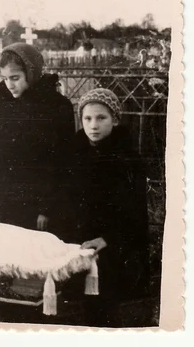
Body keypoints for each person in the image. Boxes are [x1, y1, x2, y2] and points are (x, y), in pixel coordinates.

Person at [70, 89, 150, 327]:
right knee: (80, 304)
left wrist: (108, 238)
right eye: (87, 119)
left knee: (105, 305)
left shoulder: (126, 158)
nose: (93, 125)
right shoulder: (76, 153)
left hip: (112, 243)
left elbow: (134, 210)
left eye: (101, 118)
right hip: (80, 238)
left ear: (115, 119)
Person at [0, 42, 75, 233]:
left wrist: (47, 208)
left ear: (31, 71)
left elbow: (62, 162)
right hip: (8, 200)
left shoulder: (57, 106)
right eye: (5, 78)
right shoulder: (5, 101)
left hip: (41, 205)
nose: (10, 85)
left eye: (15, 78)